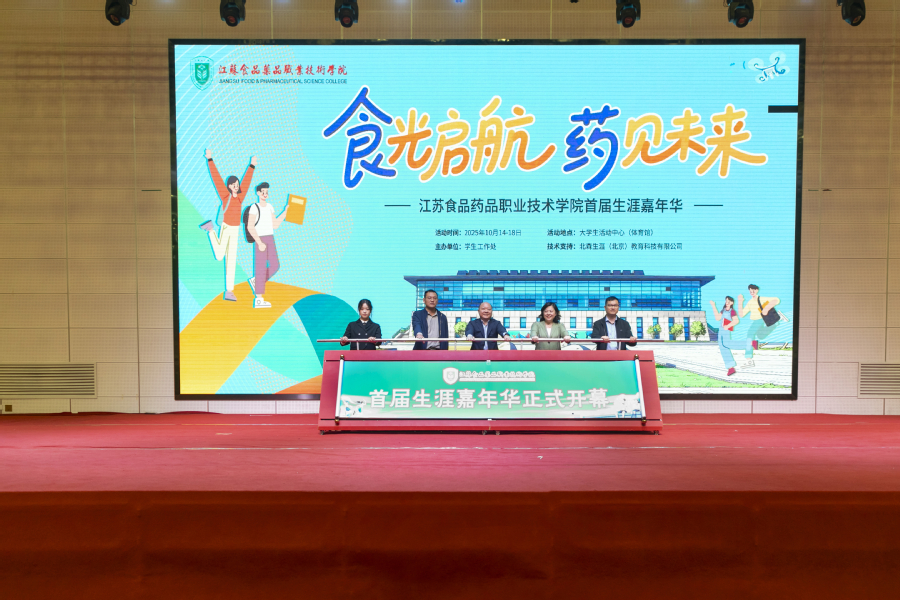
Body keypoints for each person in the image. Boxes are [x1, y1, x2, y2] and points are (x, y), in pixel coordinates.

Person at [198, 150, 256, 302]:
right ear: (229, 186)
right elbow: (217, 179)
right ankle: (211, 230)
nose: (236, 186)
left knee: (231, 260)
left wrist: (252, 166)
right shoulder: (225, 196)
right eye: (233, 185)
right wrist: (210, 159)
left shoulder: (240, 198)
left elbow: (246, 182)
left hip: (235, 230)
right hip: (226, 227)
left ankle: (229, 291)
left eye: (237, 184)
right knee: (219, 256)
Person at [246, 182, 287, 309]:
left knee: (275, 265)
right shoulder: (254, 207)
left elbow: (275, 225)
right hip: (260, 238)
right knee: (260, 268)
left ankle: (257, 281)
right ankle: (259, 299)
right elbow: (250, 226)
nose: (265, 194)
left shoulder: (270, 207)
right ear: (258, 193)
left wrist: (285, 212)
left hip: (270, 237)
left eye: (267, 192)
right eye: (263, 192)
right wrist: (259, 242)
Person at [737, 284, 781, 367]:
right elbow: (742, 314)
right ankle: (775, 324)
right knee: (761, 336)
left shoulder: (761, 299)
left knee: (750, 333)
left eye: (753, 290)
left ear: (757, 290)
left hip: (761, 319)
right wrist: (740, 302)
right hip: (756, 320)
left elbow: (776, 300)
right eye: (750, 291)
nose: (752, 292)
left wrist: (766, 308)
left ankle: (749, 360)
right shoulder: (750, 302)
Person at [709, 296, 744, 376]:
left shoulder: (732, 311)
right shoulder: (723, 310)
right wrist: (713, 306)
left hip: (726, 330)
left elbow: (736, 321)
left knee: (727, 344)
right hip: (721, 331)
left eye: (729, 302)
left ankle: (750, 343)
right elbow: (717, 318)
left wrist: (728, 326)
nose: (727, 303)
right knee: (723, 349)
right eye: (726, 301)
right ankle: (730, 368)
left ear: (732, 303)